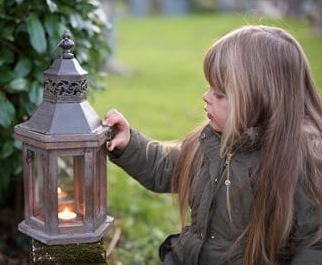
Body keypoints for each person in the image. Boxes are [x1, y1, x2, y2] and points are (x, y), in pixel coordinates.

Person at [103, 25, 322, 264]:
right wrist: (129, 143)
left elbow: (313, 245)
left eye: (220, 94)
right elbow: (164, 167)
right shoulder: (209, 144)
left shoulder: (298, 160)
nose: (206, 96)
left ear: (261, 100)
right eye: (210, 88)